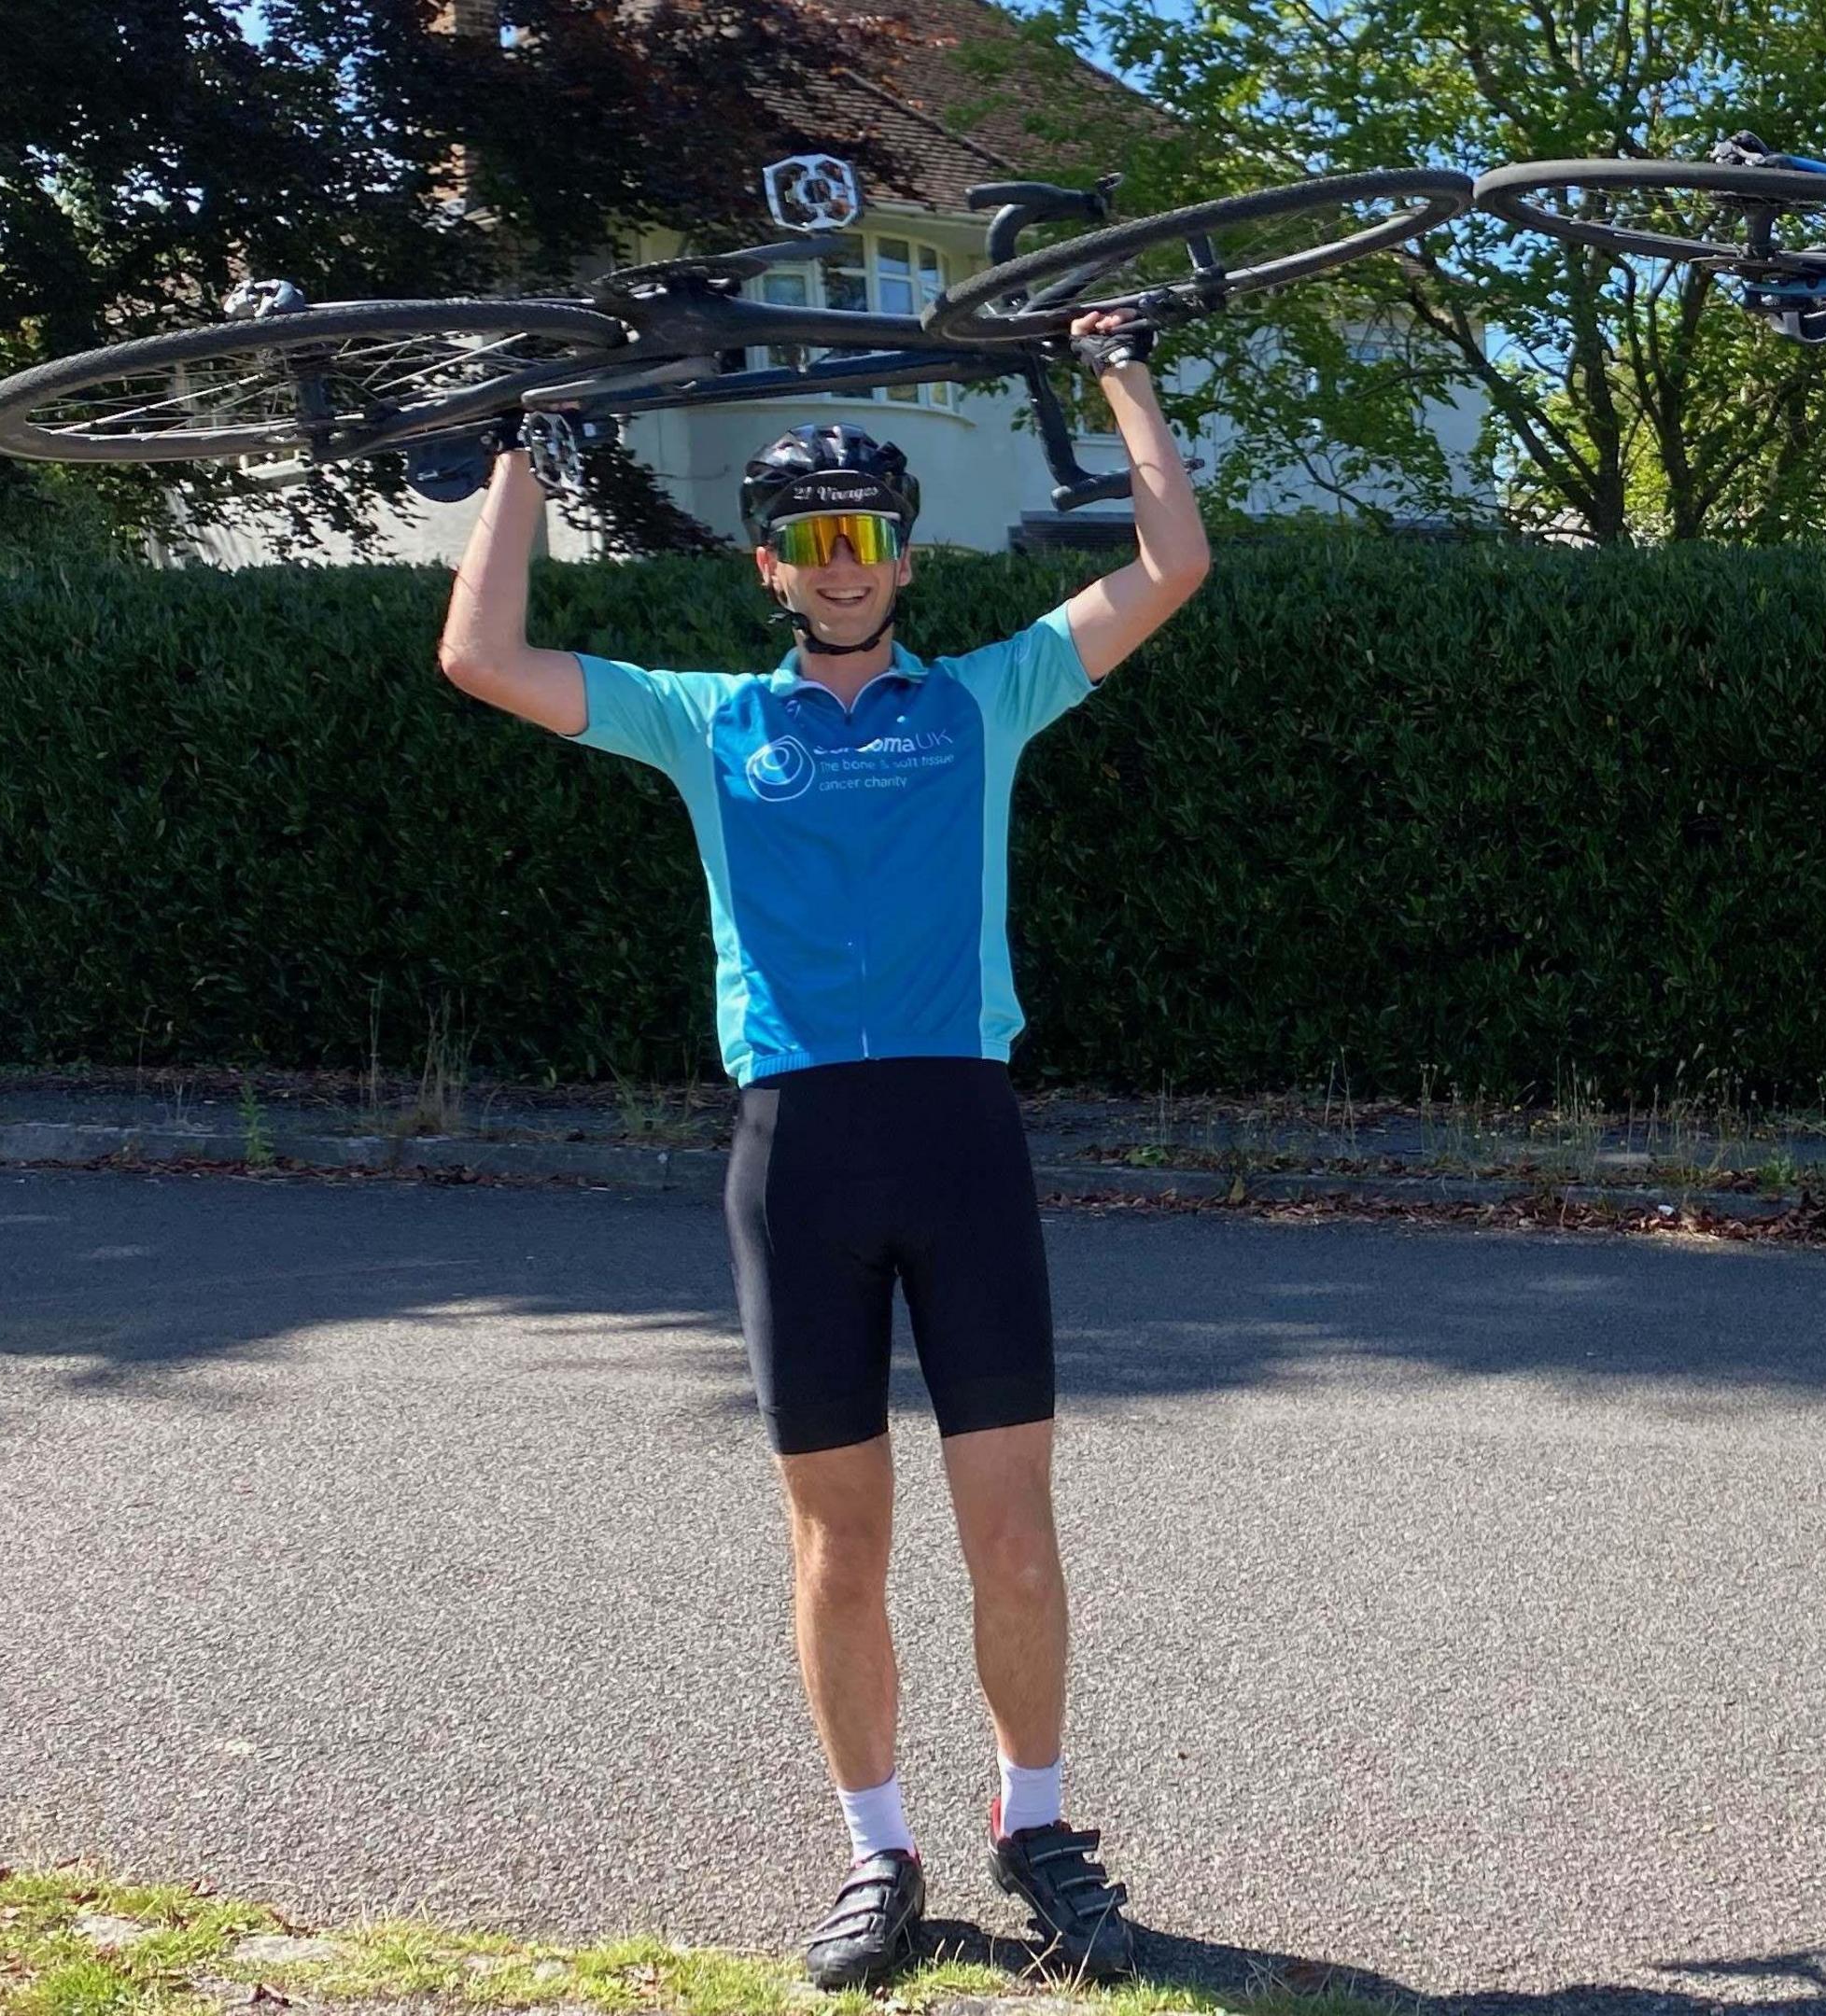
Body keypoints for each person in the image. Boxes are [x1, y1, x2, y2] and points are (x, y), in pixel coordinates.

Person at [433, 313, 1205, 1986]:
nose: (841, 565)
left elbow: (1169, 566)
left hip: (962, 1133)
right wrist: (515, 444)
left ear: (907, 558)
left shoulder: (989, 696)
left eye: (867, 536)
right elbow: (482, 656)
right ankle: (877, 1855)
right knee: (838, 1542)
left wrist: (1121, 372)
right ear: (768, 567)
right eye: (808, 541)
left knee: (1011, 1528)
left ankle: (1038, 1826)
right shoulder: (705, 719)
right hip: (797, 1149)